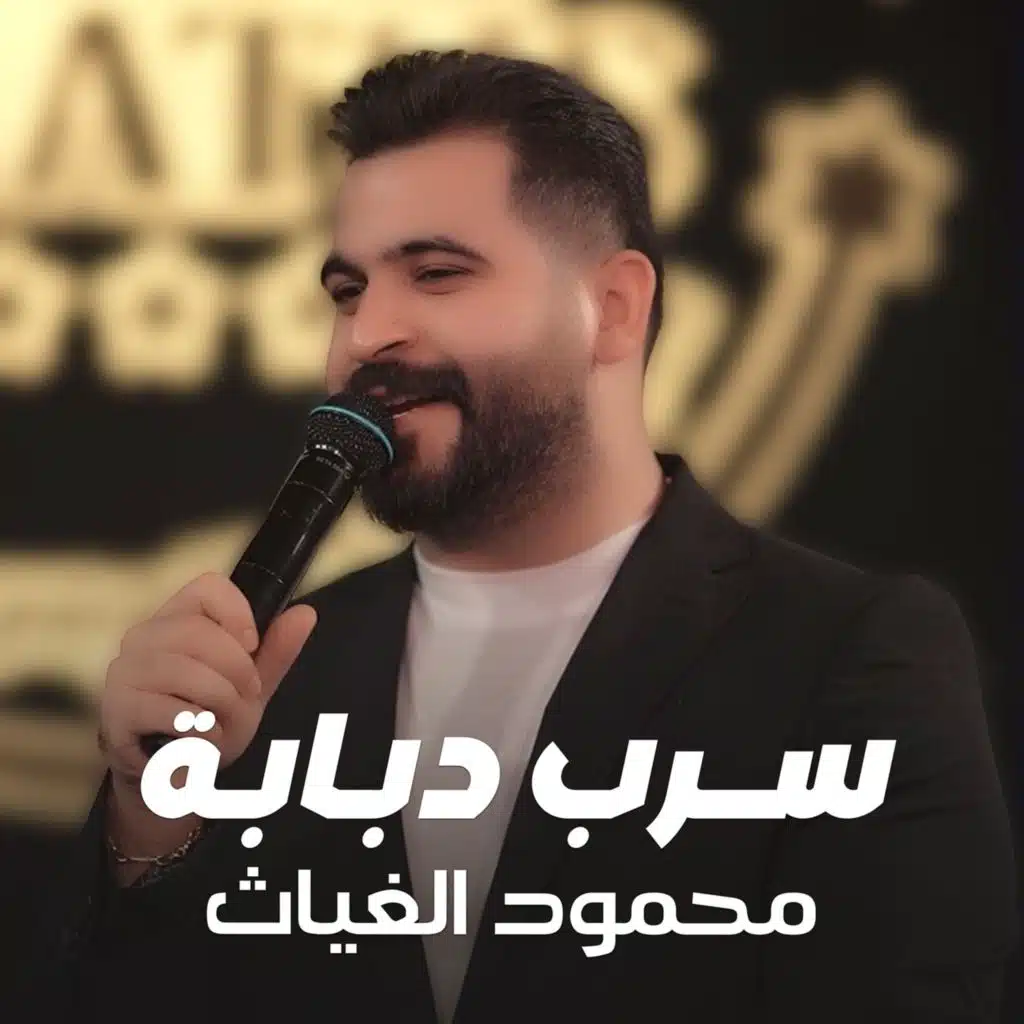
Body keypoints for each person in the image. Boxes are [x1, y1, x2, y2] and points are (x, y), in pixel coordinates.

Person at [25, 50, 1016, 1023]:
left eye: (437, 274)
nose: (367, 335)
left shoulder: (847, 652)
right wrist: (150, 825)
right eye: (347, 292)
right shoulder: (274, 676)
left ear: (613, 308)